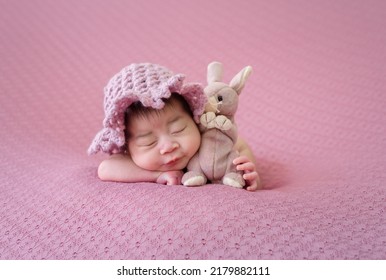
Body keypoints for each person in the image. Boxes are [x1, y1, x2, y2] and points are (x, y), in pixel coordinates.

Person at [89, 63, 261, 191]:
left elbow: (240, 144)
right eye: (148, 142)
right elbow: (105, 169)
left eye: (178, 129)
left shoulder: (208, 140)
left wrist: (248, 169)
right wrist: (157, 175)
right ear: (126, 146)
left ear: (194, 119)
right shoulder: (130, 159)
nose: (168, 147)